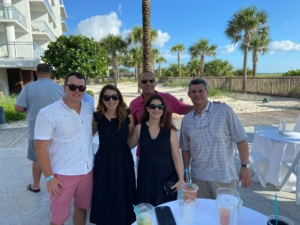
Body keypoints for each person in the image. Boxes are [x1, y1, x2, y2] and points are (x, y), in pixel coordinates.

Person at [34, 72, 94, 225]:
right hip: (62, 175)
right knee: (58, 218)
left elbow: (88, 131)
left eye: (81, 87)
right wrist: (49, 178)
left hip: (87, 172)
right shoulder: (48, 113)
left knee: (81, 208)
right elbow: (40, 148)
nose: (77, 90)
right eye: (73, 86)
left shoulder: (89, 109)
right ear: (64, 88)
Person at [179, 78, 252, 199]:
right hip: (199, 178)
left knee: (225, 215)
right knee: (204, 214)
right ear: (189, 94)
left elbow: (241, 139)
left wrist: (245, 166)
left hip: (223, 177)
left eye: (201, 91)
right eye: (193, 91)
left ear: (207, 92)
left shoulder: (224, 110)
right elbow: (185, 149)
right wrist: (186, 171)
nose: (197, 94)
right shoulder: (186, 120)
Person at [15, 63, 65, 193]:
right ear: (50, 74)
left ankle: (36, 185)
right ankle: (61, 183)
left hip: (36, 130)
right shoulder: (59, 88)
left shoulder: (28, 87)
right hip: (57, 129)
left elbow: (18, 107)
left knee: (37, 158)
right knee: (57, 157)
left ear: (37, 74)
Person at [90, 84, 136, 225]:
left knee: (124, 189)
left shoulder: (127, 115)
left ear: (119, 98)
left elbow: (131, 136)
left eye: (115, 97)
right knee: (104, 190)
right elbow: (87, 136)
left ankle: (125, 220)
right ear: (102, 100)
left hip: (123, 158)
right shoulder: (96, 117)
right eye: (107, 97)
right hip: (104, 159)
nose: (111, 100)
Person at [128, 94, 184, 206]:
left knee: (165, 210)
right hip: (146, 176)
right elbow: (127, 146)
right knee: (146, 210)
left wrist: (181, 179)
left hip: (166, 176)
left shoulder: (170, 131)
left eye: (160, 106)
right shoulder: (139, 129)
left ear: (163, 109)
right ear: (147, 108)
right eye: (153, 106)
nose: (156, 109)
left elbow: (176, 156)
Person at [129, 71, 193, 160]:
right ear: (139, 85)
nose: (148, 83)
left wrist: (209, 106)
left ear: (155, 83)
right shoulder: (134, 104)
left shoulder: (168, 98)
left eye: (151, 81)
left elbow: (186, 109)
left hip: (166, 153)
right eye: (144, 81)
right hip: (144, 154)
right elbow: (133, 129)